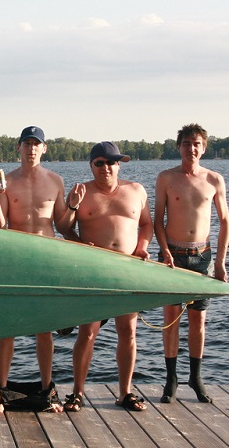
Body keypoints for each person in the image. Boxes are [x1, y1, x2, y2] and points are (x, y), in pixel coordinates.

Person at [59, 141, 152, 412]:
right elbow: (63, 228)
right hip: (94, 272)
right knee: (88, 333)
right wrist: (73, 208)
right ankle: (77, 392)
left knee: (128, 330)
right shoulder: (81, 191)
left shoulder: (136, 191)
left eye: (110, 162)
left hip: (127, 271)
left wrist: (142, 248)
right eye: (99, 163)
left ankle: (125, 392)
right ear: (91, 166)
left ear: (119, 164)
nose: (105, 168)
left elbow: (146, 224)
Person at [0, 126, 65, 412]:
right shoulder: (7, 181)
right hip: (16, 261)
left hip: (46, 261)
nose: (31, 148)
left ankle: (47, 389)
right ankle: (4, 388)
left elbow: (63, 224)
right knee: (8, 327)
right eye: (26, 143)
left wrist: (73, 207)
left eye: (36, 144)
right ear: (18, 148)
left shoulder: (56, 181)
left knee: (44, 330)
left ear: (44, 149)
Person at [155, 123, 229, 404]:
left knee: (198, 320)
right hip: (174, 256)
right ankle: (171, 378)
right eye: (187, 143)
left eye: (197, 143)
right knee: (171, 319)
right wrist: (164, 251)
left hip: (202, 256)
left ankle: (196, 377)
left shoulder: (214, 180)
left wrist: (220, 262)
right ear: (179, 147)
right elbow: (158, 221)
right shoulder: (166, 178)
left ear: (204, 147)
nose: (192, 148)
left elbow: (224, 222)